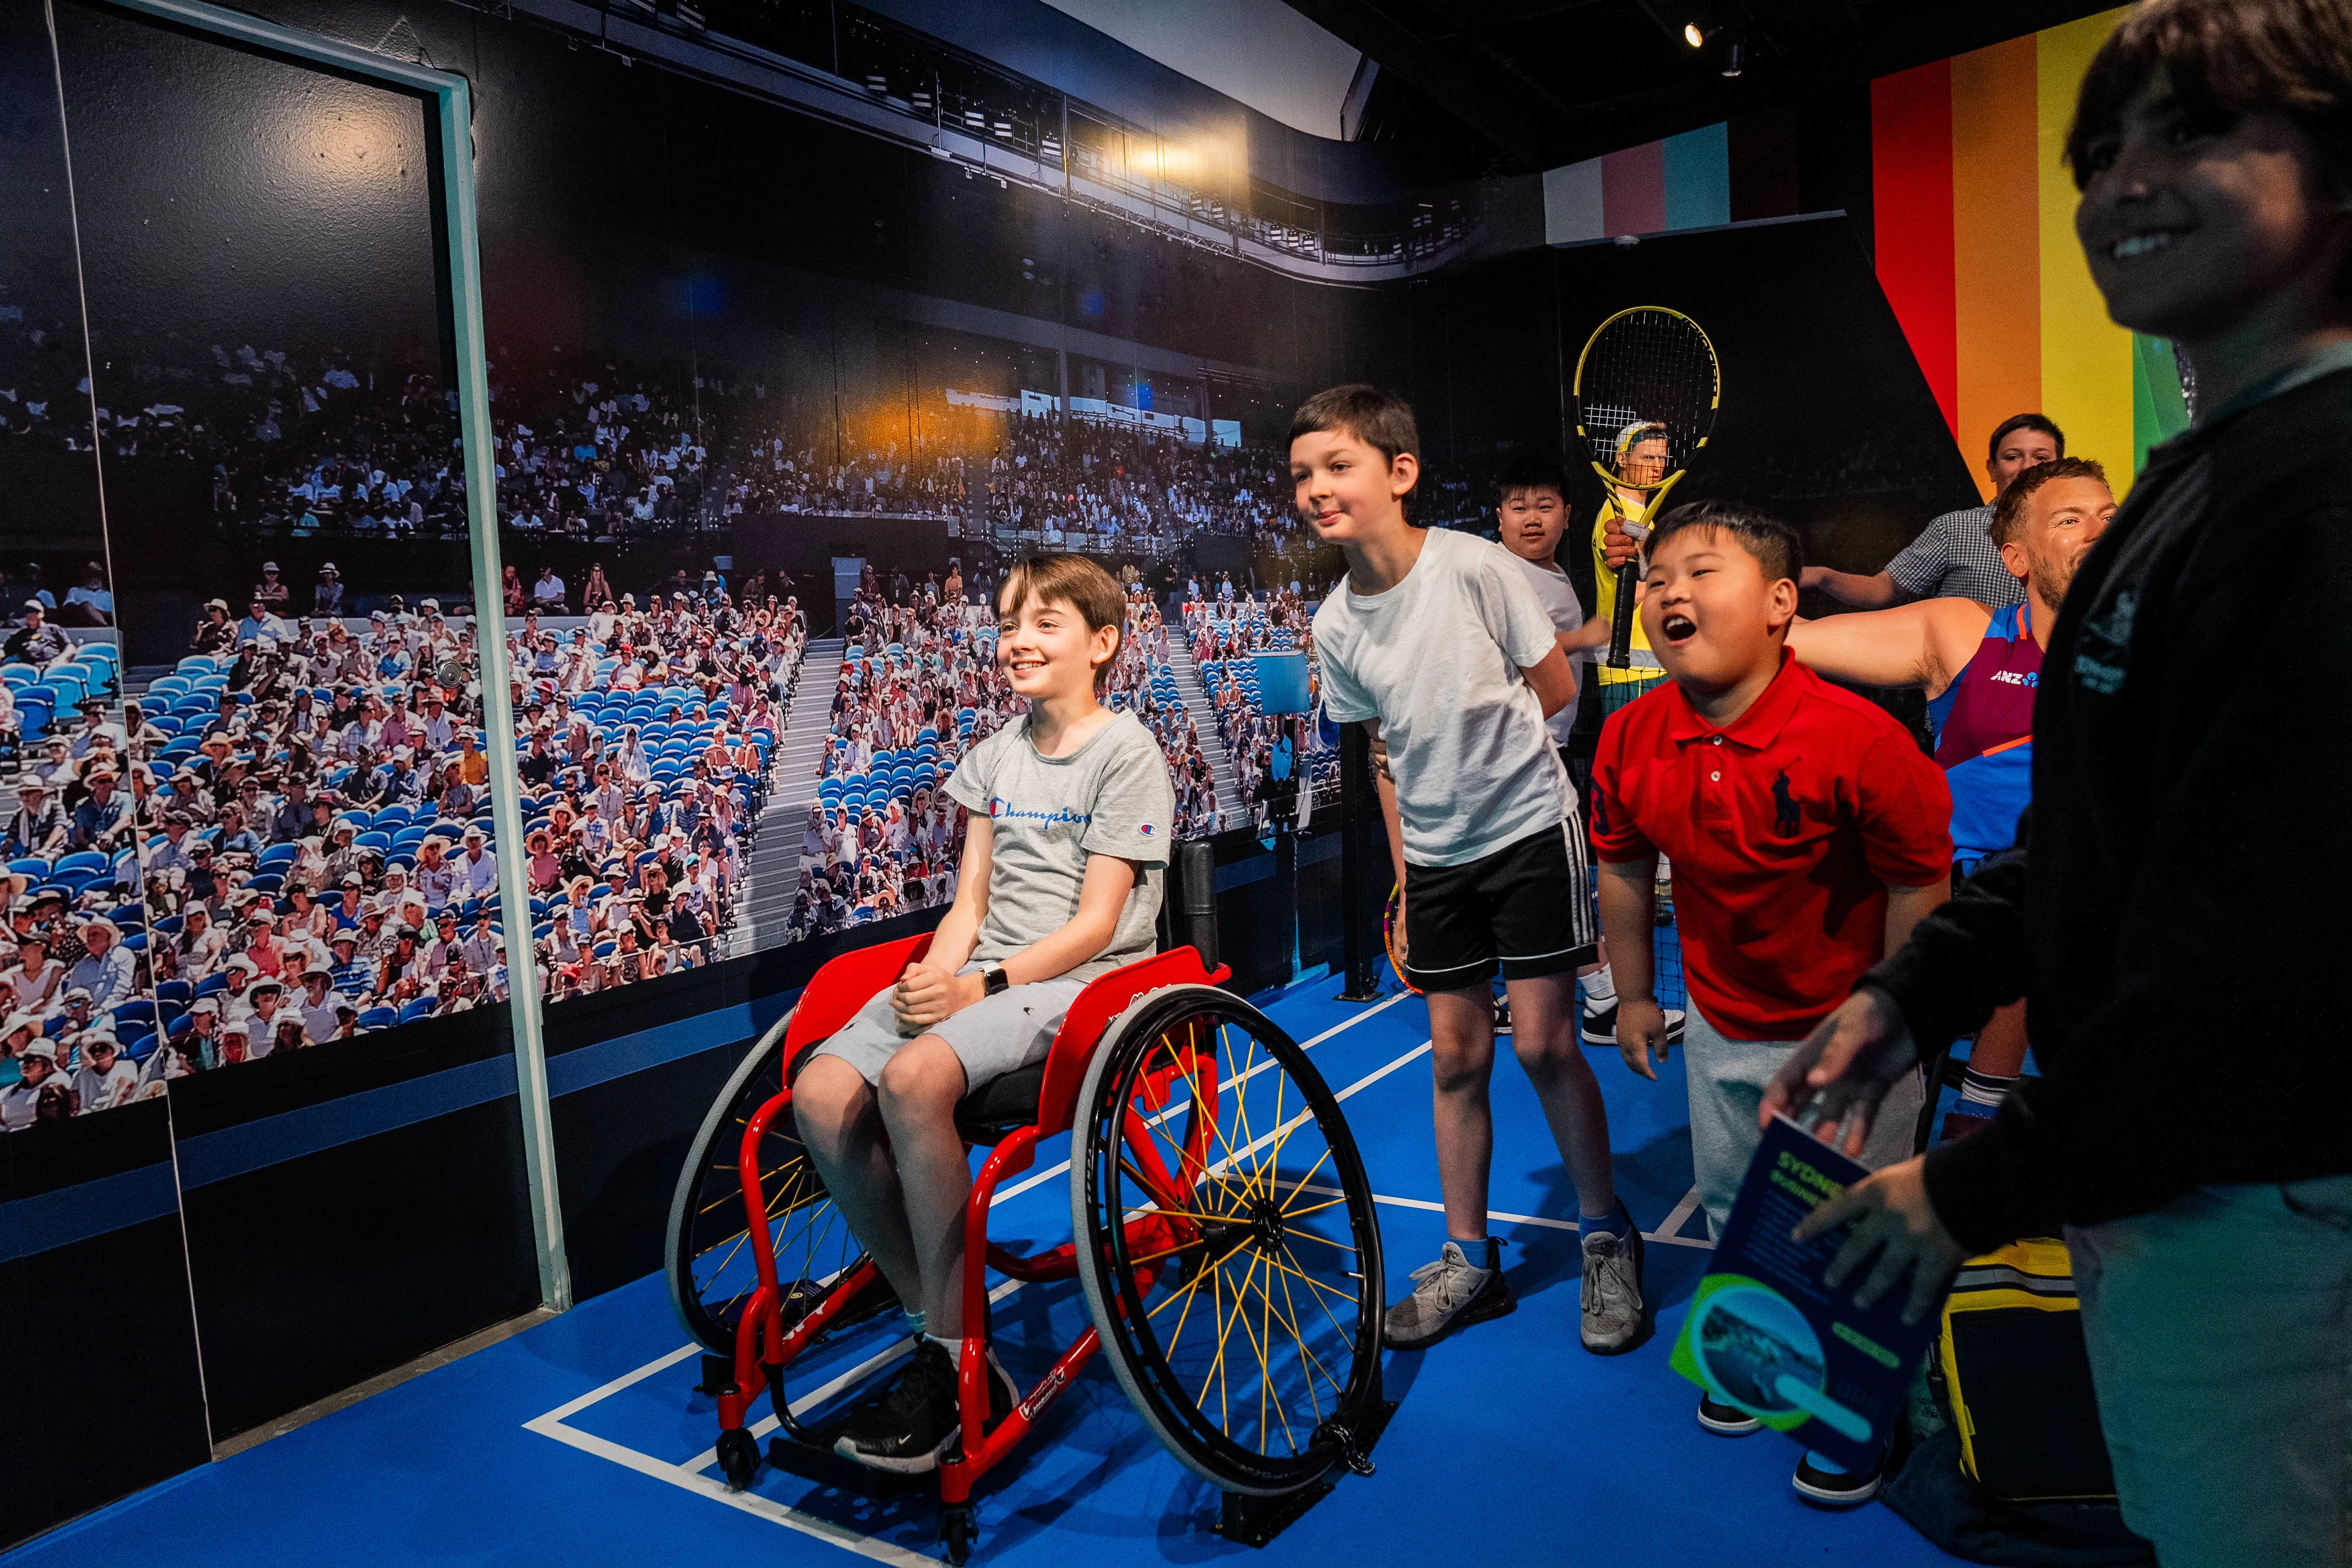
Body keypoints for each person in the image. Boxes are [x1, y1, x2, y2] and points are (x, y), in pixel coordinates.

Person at [1767, 5, 2352, 1562]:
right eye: (2101, 153)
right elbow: (2101, 834)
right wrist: (1922, 984)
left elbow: (2256, 967)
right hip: (2176, 1189)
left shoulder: (2323, 493)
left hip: (2275, 1215)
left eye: (2192, 132)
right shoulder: (2194, 482)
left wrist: (1974, 1185)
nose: (2121, 185)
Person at [1589, 501, 1952, 1505]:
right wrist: (1631, 995)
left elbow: (1922, 885)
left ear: (1782, 603)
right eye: (1658, 575)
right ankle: (1756, 1370)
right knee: (1736, 1204)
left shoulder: (1864, 742)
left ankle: (1863, 1413)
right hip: (1719, 1023)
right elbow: (1621, 866)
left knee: (1861, 1230)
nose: (1671, 591)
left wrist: (1887, 1021)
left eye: (1703, 572)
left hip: (1850, 1030)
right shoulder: (1629, 738)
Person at [790, 553, 1172, 1473]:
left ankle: (954, 1360)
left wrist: (978, 992)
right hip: (989, 969)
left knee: (914, 1079)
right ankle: (937, 1319)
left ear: (1103, 644)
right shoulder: (994, 753)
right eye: (1009, 623)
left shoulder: (1129, 753)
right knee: (819, 1090)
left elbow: (1094, 925)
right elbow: (968, 904)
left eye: (1045, 622)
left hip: (1086, 981)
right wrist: (937, 977)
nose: (1018, 639)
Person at [1295, 386, 1643, 1357]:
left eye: (1337, 466)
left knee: (1542, 1045)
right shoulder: (1334, 625)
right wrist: (1408, 875)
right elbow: (1382, 760)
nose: (1316, 489)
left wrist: (1498, 787)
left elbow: (1556, 686)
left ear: (1399, 473)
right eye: (1301, 475)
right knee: (1456, 1056)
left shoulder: (1477, 566)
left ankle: (1606, 1236)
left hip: (1529, 832)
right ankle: (1468, 1261)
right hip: (1438, 860)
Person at [1786, 457, 2115, 1136]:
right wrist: (1660, 580)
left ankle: (1982, 1125)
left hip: (2076, 909)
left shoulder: (2155, 655)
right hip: (1947, 897)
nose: (2097, 530)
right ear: (2016, 557)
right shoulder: (1965, 633)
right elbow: (1791, 640)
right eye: (2070, 519)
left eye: (2109, 517)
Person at [1490, 452, 1681, 1048]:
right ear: (1499, 518)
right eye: (1518, 507)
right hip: (1519, 750)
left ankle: (1521, 994)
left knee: (1539, 881)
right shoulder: (1499, 572)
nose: (1531, 518)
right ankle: (1600, 1000)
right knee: (1559, 878)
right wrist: (1589, 635)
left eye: (1544, 507)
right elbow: (1501, 652)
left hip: (1543, 744)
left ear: (1567, 516)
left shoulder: (1549, 574)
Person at [1804, 416, 2066, 609]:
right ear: (1992, 469)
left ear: (2061, 469)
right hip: (1964, 677)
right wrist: (1823, 576)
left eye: (2041, 458)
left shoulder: (2078, 536)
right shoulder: (1954, 529)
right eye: (2012, 457)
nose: (2027, 467)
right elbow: (1882, 589)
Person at [1586, 422, 1674, 715]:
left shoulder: (1644, 520)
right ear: (1622, 460)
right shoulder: (1616, 515)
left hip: (1651, 663)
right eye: (1648, 458)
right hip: (1629, 667)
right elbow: (1632, 594)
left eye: (1662, 458)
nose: (1657, 467)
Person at [5, 600, 71, 669]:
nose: (30, 615)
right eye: (27, 612)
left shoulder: (54, 629)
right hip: (30, 669)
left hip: (53, 667)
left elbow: (70, 647)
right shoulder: (20, 634)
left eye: (34, 612)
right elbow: (5, 651)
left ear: (42, 614)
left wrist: (62, 658)